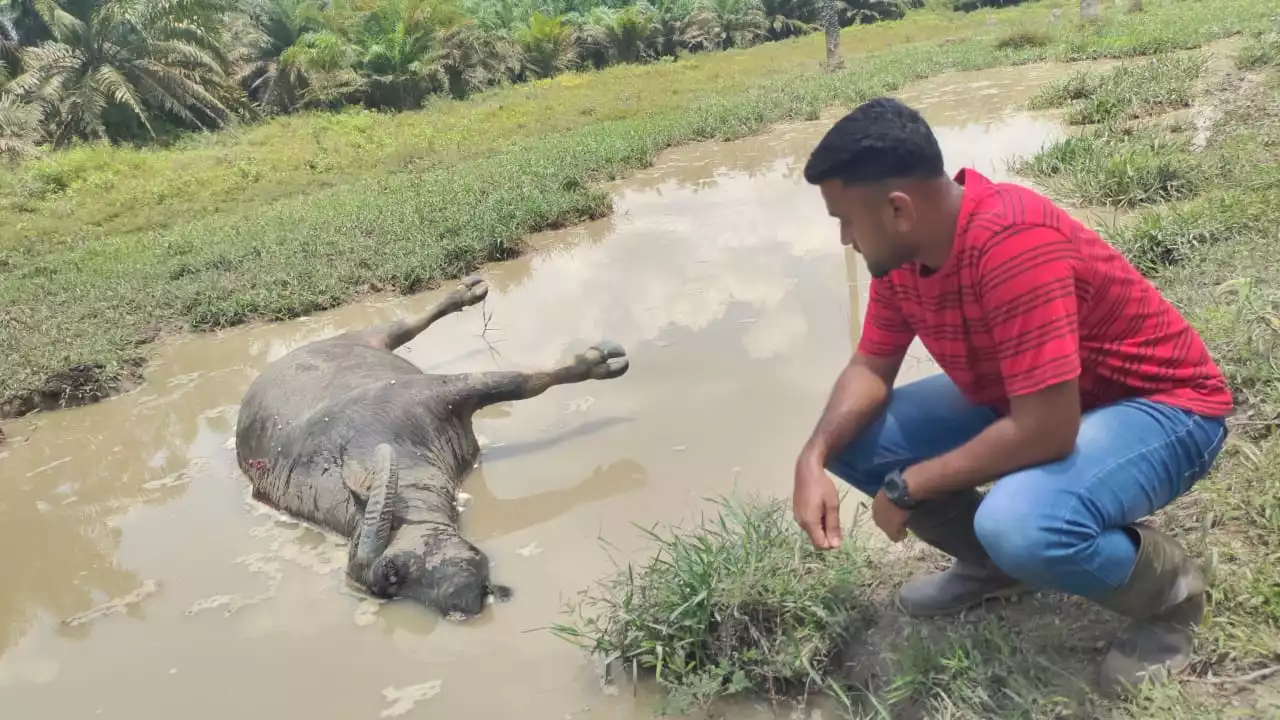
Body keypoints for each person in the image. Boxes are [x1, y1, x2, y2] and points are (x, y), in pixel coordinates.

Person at [792, 97, 1233, 696]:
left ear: (898, 209)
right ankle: (994, 570)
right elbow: (872, 365)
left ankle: (1171, 594)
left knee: (1021, 522)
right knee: (856, 441)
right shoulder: (903, 257)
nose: (844, 237)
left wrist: (910, 485)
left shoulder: (1010, 242)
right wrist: (812, 457)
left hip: (1166, 409)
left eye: (844, 219)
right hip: (1036, 392)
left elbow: (1047, 431)